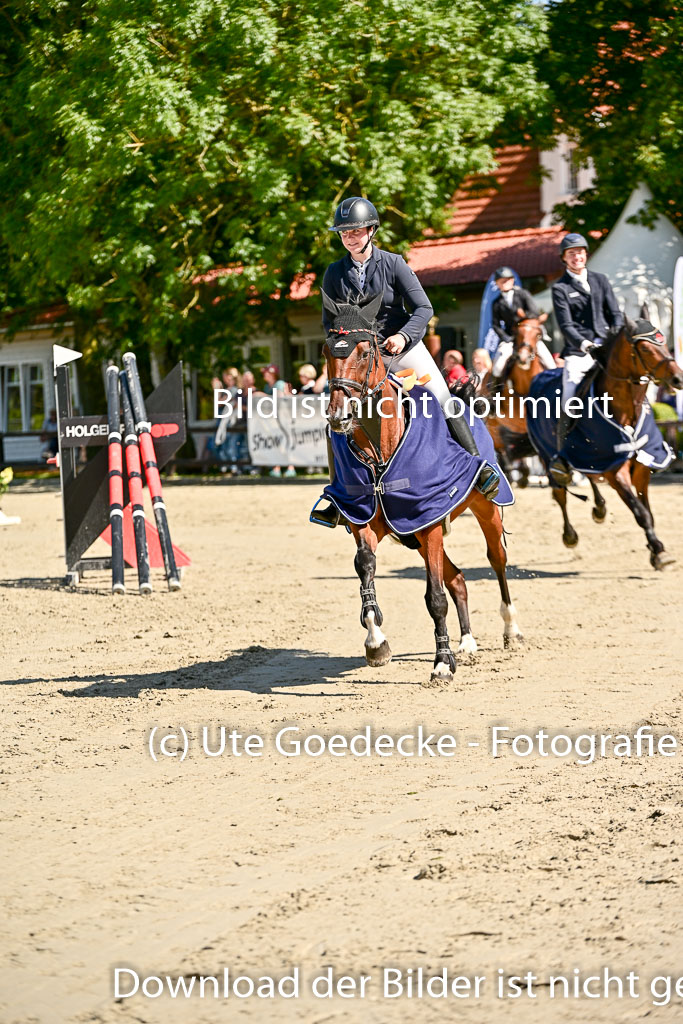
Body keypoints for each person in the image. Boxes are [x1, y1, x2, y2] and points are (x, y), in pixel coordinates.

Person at [312, 196, 499, 526]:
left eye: (355, 231)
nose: (349, 238)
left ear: (371, 230)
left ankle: (477, 467)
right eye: (343, 233)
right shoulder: (333, 273)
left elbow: (423, 309)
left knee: (442, 397)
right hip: (360, 356)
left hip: (401, 348)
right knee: (338, 413)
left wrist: (403, 337)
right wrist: (344, 351)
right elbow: (330, 323)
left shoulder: (393, 264)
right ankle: (336, 494)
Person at [549, 233, 624, 485]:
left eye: (580, 252)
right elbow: (566, 325)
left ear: (586, 254)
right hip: (580, 351)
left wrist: (614, 340)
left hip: (607, 347)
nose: (576, 256)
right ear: (564, 258)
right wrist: (586, 344)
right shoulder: (560, 288)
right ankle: (563, 454)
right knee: (570, 394)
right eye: (571, 253)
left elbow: (615, 314)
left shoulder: (601, 280)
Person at [490, 266, 555, 383]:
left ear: (512, 280)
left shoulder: (523, 294)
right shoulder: (496, 303)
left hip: (528, 336)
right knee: (498, 367)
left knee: (550, 362)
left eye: (508, 279)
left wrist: (523, 316)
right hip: (511, 338)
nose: (505, 283)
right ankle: (496, 393)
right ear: (497, 283)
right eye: (502, 281)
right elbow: (496, 325)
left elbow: (534, 313)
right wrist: (507, 338)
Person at [262, 364, 296, 478]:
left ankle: (290, 468)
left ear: (273, 374)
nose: (265, 374)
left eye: (267, 372)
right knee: (276, 442)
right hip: (273, 418)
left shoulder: (279, 384)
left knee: (286, 441)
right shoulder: (267, 386)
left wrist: (262, 396)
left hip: (284, 417)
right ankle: (276, 468)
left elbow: (280, 398)